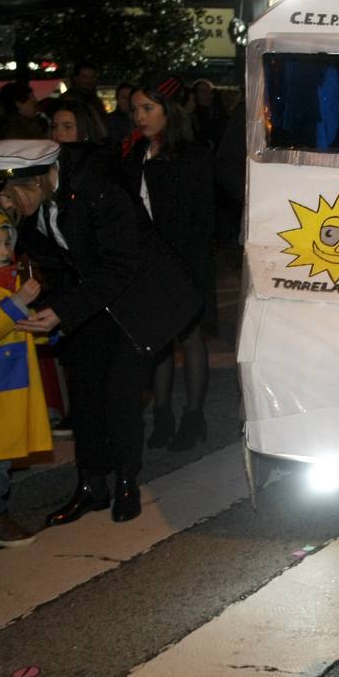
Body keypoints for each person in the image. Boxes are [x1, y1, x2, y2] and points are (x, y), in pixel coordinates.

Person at [0, 138, 198, 526]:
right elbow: (58, 265)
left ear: (34, 182)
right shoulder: (36, 206)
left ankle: (127, 481)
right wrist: (50, 309)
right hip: (90, 300)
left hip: (138, 299)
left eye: (12, 197)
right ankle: (91, 485)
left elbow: (119, 265)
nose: (10, 207)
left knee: (120, 393)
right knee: (84, 393)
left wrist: (61, 311)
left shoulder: (100, 184)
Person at [127, 77, 215, 451]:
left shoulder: (191, 154)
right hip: (146, 265)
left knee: (190, 339)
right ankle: (162, 416)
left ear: (168, 109)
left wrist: (185, 266)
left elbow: (201, 217)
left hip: (185, 262)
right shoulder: (135, 153)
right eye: (135, 109)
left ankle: (194, 418)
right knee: (157, 342)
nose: (140, 116)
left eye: (148, 108)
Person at [0, 204, 51, 546]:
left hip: (5, 384)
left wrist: (46, 328)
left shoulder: (4, 280)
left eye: (6, 243)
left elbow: (17, 325)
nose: (4, 252)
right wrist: (18, 302)